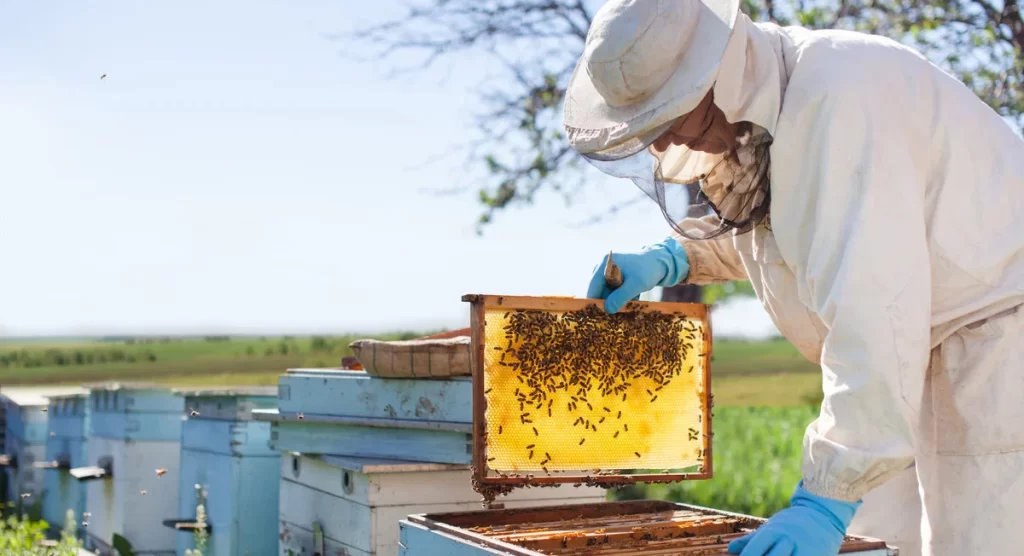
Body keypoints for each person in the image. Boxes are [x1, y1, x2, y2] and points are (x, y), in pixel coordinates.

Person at [564, 0, 1024, 555]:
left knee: (980, 543)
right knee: (880, 541)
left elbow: (874, 307)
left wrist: (825, 500)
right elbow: (791, 228)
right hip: (913, 353)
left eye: (666, 119)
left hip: (994, 349)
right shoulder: (776, 106)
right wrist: (677, 256)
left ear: (714, 79)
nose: (660, 146)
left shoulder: (838, 101)